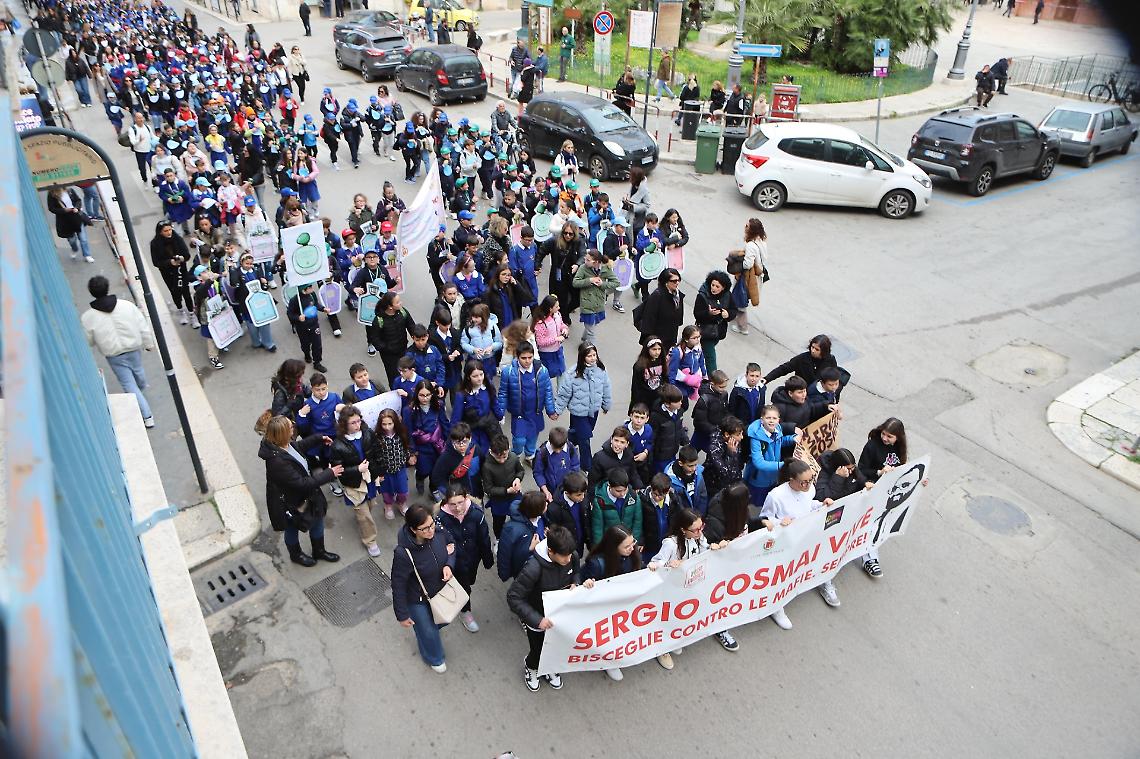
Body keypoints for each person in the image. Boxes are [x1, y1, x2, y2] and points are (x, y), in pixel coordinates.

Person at [648, 508, 734, 667]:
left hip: (688, 587)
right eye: (695, 530)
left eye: (701, 527)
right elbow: (656, 563)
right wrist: (668, 564)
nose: (699, 532)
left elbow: (704, 551)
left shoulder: (698, 537)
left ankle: (674, 639)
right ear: (683, 529)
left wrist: (715, 548)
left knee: (681, 616)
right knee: (666, 619)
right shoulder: (670, 544)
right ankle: (662, 650)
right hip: (671, 591)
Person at [507, 524, 588, 692]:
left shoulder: (571, 555)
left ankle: (549, 668)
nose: (568, 560)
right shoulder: (533, 568)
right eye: (564, 557)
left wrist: (576, 582)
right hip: (538, 618)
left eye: (570, 555)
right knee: (538, 650)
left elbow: (576, 573)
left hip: (560, 616)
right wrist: (538, 620)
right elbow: (514, 597)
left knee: (556, 647)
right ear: (551, 551)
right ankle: (531, 667)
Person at [760, 459, 840, 627]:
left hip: (805, 536)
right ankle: (776, 606)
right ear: (792, 479)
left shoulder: (808, 489)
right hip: (785, 542)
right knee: (782, 574)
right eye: (804, 482)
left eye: (810, 480)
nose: (808, 484)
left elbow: (808, 504)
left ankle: (823, 581)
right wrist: (780, 522)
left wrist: (821, 504)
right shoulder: (775, 496)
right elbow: (765, 518)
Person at [256, 413, 343, 567]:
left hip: (306, 496)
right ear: (283, 433)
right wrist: (329, 473)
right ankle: (296, 555)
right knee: (292, 529)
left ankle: (319, 551)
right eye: (291, 426)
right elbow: (302, 483)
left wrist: (318, 438)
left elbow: (298, 447)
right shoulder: (277, 462)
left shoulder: (283, 445)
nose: (294, 426)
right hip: (291, 502)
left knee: (317, 520)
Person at [81, 276, 156, 428]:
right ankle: (141, 392)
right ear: (107, 287)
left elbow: (89, 340)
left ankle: (147, 416)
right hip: (133, 348)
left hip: (113, 354)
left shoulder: (88, 317)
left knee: (128, 384)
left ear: (91, 292)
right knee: (138, 373)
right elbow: (142, 326)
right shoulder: (127, 306)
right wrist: (149, 343)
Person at [391, 504, 456, 673]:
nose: (431, 530)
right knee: (428, 631)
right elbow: (398, 584)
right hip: (418, 599)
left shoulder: (439, 531)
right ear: (413, 530)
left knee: (441, 621)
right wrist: (402, 615)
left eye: (431, 524)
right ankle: (434, 658)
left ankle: (423, 631)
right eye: (424, 528)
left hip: (439, 590)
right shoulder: (403, 553)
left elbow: (451, 545)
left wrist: (449, 565)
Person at [581, 524, 641, 680]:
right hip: (604, 609)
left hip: (624, 605)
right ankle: (609, 662)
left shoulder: (632, 554)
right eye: (626, 546)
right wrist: (586, 584)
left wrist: (653, 568)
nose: (632, 548)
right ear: (614, 547)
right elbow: (582, 586)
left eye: (633, 542)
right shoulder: (597, 563)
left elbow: (640, 571)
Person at [857, 417, 911, 577]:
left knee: (878, 524)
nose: (885, 438)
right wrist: (879, 472)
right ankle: (870, 559)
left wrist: (919, 481)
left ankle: (870, 556)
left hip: (888, 493)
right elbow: (861, 469)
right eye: (884, 434)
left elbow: (903, 470)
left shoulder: (899, 449)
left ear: (898, 438)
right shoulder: (872, 445)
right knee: (870, 524)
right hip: (872, 489)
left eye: (889, 436)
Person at [438, 482, 494, 633]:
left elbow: (484, 537)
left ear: (466, 498)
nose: (457, 508)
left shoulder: (476, 514)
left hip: (472, 558)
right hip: (453, 562)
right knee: (464, 588)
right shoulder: (441, 518)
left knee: (469, 581)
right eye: (452, 504)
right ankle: (465, 611)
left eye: (460, 502)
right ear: (446, 502)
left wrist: (487, 558)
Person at [328, 404, 383, 557]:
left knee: (371, 504)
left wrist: (379, 472)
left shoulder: (367, 433)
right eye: (353, 422)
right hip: (354, 484)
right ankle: (370, 541)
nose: (358, 425)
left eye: (359, 421)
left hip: (370, 479)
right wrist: (357, 469)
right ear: (344, 424)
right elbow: (339, 471)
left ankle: (363, 519)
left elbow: (377, 452)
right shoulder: (337, 445)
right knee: (364, 515)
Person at [496, 341, 558, 461]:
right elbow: (503, 393)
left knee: (532, 437)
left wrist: (550, 410)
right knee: (519, 440)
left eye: (530, 357)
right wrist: (500, 412)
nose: (527, 361)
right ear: (517, 357)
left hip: (535, 413)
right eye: (523, 358)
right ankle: (516, 456)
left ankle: (530, 455)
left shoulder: (542, 371)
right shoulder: (508, 372)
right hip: (519, 414)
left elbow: (548, 391)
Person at [554, 343, 612, 472]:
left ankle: (567, 442)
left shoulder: (601, 370)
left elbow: (606, 388)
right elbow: (564, 394)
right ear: (582, 357)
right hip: (578, 413)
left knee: (579, 433)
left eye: (594, 355)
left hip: (593, 411)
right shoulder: (572, 373)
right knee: (585, 439)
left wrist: (606, 404)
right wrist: (557, 410)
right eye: (589, 356)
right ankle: (587, 466)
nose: (593, 358)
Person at [742, 404, 798, 506]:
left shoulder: (778, 429)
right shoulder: (756, 438)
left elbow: (780, 442)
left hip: (773, 477)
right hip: (759, 480)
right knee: (757, 505)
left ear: (778, 420)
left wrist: (792, 439)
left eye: (774, 418)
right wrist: (783, 465)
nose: (771, 421)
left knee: (770, 503)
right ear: (762, 420)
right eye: (768, 418)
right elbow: (759, 463)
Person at [404, 380, 450, 496]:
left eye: (428, 395)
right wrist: (412, 452)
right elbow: (408, 432)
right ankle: (420, 477)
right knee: (424, 470)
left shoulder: (438, 405)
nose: (425, 398)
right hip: (421, 448)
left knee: (436, 470)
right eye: (421, 395)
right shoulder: (409, 410)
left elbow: (444, 423)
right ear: (416, 394)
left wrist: (449, 442)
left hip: (438, 444)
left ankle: (433, 489)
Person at [497, 490, 548, 581]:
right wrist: (530, 549)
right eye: (544, 504)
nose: (547, 504)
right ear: (537, 510)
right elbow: (504, 553)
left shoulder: (540, 518)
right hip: (523, 570)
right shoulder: (511, 529)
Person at [482, 434, 526, 537]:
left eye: (504, 457)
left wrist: (518, 479)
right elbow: (488, 488)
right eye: (498, 457)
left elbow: (520, 471)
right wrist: (506, 491)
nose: (502, 460)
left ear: (508, 448)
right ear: (491, 451)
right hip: (498, 500)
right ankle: (498, 538)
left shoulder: (513, 457)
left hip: (514, 496)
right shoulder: (486, 466)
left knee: (519, 517)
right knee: (498, 522)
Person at [729, 218, 767, 335]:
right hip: (756, 276)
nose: (745, 228)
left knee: (741, 300)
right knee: (741, 299)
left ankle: (742, 326)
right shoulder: (761, 242)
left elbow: (747, 264)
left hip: (748, 278)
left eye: (747, 226)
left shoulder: (751, 245)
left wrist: (738, 259)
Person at [693, 271, 734, 372]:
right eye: (712, 285)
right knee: (710, 358)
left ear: (723, 288)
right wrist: (708, 313)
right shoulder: (702, 295)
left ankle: (697, 370)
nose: (714, 288)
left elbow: (734, 310)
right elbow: (697, 314)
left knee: (701, 354)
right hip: (705, 332)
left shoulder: (727, 295)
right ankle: (713, 378)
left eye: (717, 286)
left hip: (718, 332)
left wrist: (728, 314)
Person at [764, 334, 839, 387]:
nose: (813, 351)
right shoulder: (802, 359)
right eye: (812, 347)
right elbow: (784, 368)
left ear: (824, 351)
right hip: (802, 393)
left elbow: (835, 378)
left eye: (817, 349)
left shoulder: (830, 360)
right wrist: (767, 379)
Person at [637, 269, 686, 348]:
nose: (677, 283)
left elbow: (679, 318)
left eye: (678, 280)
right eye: (674, 281)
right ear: (666, 282)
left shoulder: (677, 295)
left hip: (670, 337)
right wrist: (652, 342)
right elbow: (649, 320)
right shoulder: (657, 296)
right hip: (657, 340)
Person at [48, 185, 95, 264]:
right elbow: (52, 208)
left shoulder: (70, 190)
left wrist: (76, 207)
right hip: (64, 221)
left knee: (83, 238)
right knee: (72, 240)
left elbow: (78, 200)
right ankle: (74, 248)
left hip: (76, 217)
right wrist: (64, 210)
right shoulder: (52, 195)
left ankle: (87, 255)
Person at [704, 415, 746, 498]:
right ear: (727, 434)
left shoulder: (735, 441)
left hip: (733, 483)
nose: (741, 437)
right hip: (715, 486)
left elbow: (738, 465)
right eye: (738, 434)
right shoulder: (714, 448)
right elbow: (725, 473)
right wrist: (731, 454)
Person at [691, 370, 730, 451]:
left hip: (715, 434)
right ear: (712, 384)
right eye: (721, 387)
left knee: (712, 454)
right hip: (701, 434)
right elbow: (699, 422)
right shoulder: (704, 399)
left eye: (725, 386)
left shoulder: (724, 394)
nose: (723, 389)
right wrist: (716, 430)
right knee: (692, 452)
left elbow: (725, 411)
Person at [630, 338, 667, 410]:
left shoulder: (661, 361)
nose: (657, 352)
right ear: (647, 350)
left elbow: (665, 378)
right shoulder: (639, 366)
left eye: (659, 349)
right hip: (644, 399)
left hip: (658, 399)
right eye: (654, 349)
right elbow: (636, 387)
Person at [623, 166, 651, 238]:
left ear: (636, 178)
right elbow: (630, 195)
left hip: (638, 220)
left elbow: (647, 206)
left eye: (631, 176)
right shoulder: (633, 185)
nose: (629, 177)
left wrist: (633, 207)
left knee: (635, 237)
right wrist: (626, 199)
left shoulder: (644, 190)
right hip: (629, 216)